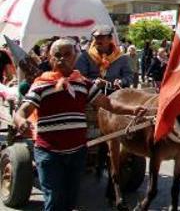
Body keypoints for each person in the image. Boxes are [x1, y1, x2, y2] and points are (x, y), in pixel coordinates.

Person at [13, 38, 147, 211]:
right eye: (57, 55)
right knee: (54, 200)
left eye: (67, 55)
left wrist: (133, 109)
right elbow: (23, 110)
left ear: (76, 57)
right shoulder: (41, 85)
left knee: (70, 199)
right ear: (50, 59)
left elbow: (108, 104)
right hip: (49, 153)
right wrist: (20, 121)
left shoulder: (83, 83)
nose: (62, 59)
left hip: (77, 153)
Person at [75, 25, 132, 90]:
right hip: (93, 95)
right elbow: (80, 77)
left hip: (115, 94)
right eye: (96, 37)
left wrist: (121, 81)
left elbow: (129, 77)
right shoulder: (86, 56)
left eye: (102, 37)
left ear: (110, 38)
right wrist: (94, 81)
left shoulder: (121, 57)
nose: (98, 40)